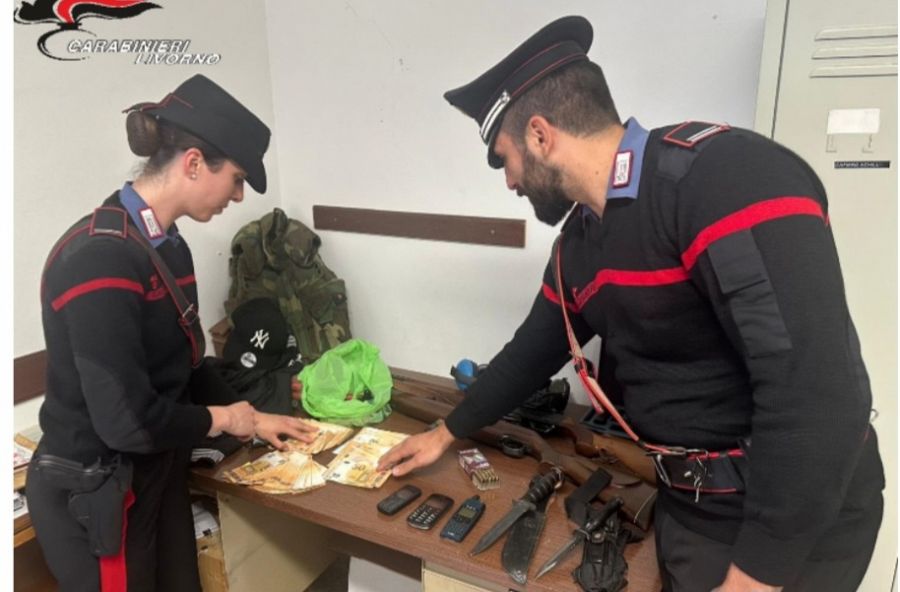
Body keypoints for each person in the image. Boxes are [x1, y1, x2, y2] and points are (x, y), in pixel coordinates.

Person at [378, 16, 884, 592]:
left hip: (794, 527)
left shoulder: (724, 180)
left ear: (540, 135)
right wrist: (446, 432)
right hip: (692, 510)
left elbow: (817, 394)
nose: (510, 182)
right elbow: (529, 355)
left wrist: (756, 577)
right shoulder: (580, 246)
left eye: (505, 159)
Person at [27, 74, 317, 592]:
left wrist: (253, 419)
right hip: (99, 489)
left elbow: (187, 365)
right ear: (194, 163)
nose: (238, 195)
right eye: (236, 178)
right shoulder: (100, 259)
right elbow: (126, 422)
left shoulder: (167, 245)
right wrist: (223, 418)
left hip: (156, 470)